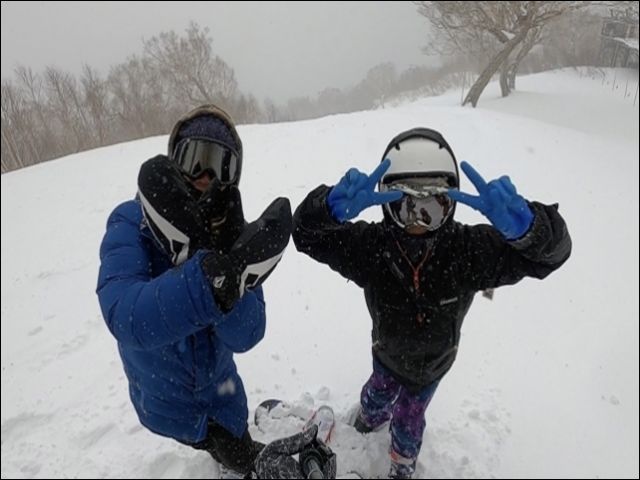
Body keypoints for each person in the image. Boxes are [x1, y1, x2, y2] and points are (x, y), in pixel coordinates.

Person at [292, 127, 571, 478]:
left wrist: (530, 230)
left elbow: (550, 257)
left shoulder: (469, 252)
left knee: (410, 422)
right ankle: (364, 424)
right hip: (386, 357)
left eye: (431, 206)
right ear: (384, 202)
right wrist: (326, 210)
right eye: (403, 204)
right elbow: (304, 235)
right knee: (375, 398)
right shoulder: (372, 249)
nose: (417, 221)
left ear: (450, 203)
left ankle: (402, 464)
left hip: (432, 369)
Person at [96, 104, 293, 476]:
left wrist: (231, 273)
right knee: (229, 447)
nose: (206, 178)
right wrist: (202, 280)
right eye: (196, 159)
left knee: (236, 436)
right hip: (167, 400)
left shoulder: (231, 232)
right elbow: (125, 315)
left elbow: (248, 333)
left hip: (223, 386)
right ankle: (241, 462)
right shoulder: (130, 222)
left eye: (222, 166)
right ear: (174, 160)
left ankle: (239, 457)